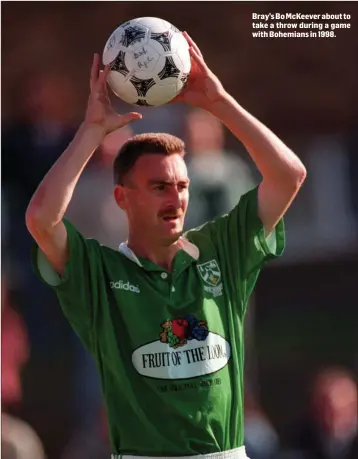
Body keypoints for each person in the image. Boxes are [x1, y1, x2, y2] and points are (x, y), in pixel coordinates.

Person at [26, 32, 306, 459]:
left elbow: (289, 175)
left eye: (182, 186)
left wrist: (218, 101)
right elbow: (41, 219)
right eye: (159, 187)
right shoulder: (101, 272)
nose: (175, 199)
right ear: (122, 197)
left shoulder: (221, 249)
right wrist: (91, 130)